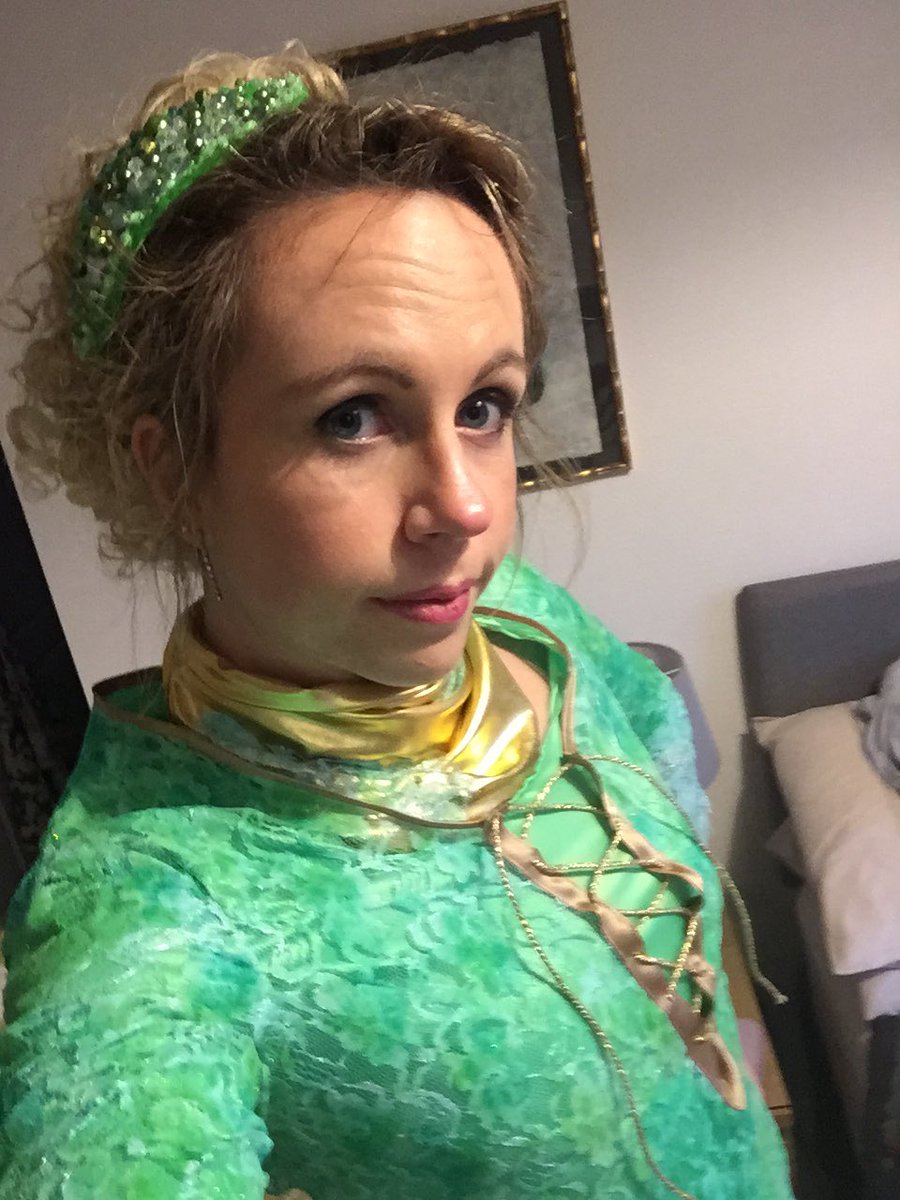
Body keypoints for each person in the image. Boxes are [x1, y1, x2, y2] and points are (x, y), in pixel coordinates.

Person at [0, 45, 794, 1200]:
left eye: (484, 406)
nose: (466, 509)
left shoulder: (511, 616)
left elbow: (659, 759)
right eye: (354, 417)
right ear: (170, 466)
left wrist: (741, 1066)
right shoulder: (151, 900)